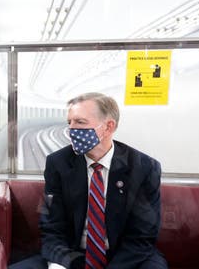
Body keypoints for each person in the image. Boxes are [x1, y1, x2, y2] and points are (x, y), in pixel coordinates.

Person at [11, 92, 166, 269]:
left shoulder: (143, 168)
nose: (71, 130)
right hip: (73, 254)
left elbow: (143, 234)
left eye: (80, 122)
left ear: (108, 127)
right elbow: (51, 225)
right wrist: (59, 263)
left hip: (127, 257)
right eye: (69, 123)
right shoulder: (58, 163)